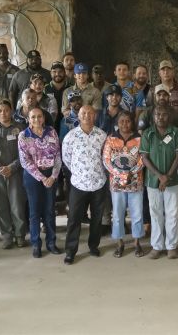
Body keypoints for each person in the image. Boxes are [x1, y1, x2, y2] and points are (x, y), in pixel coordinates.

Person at [61, 106, 109, 264]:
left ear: (95, 115)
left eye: (90, 113)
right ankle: (70, 251)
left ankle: (93, 245)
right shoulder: (71, 136)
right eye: (83, 113)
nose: (87, 116)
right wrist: (79, 172)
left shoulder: (102, 136)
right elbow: (66, 158)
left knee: (97, 217)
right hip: (78, 184)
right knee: (74, 218)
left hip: (98, 183)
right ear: (78, 116)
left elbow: (107, 158)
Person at [19, 107, 64, 258]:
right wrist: (42, 177)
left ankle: (51, 243)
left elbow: (58, 155)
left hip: (51, 174)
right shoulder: (23, 136)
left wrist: (53, 176)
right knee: (34, 212)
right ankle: (36, 244)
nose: (36, 120)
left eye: (39, 117)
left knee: (50, 210)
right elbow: (25, 161)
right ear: (28, 119)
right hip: (33, 176)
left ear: (44, 118)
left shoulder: (51, 132)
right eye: (33, 117)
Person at [140, 106, 178, 259]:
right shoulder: (147, 133)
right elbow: (145, 158)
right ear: (153, 117)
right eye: (157, 114)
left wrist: (167, 176)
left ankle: (171, 246)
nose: (161, 117)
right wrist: (160, 176)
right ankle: (157, 246)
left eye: (164, 114)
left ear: (169, 116)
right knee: (155, 213)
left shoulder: (176, 132)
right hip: (152, 181)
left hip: (172, 180)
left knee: (172, 213)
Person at [0, 100, 27, 249]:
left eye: (6, 110)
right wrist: (0, 167)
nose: (3, 113)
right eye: (0, 110)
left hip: (16, 172)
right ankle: (7, 236)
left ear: (11, 111)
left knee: (17, 204)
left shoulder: (20, 128)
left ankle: (20, 235)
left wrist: (12, 167)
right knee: (0, 205)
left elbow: (25, 152)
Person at [103, 111, 146, 258]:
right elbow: (106, 160)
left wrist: (131, 174)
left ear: (132, 122)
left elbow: (142, 160)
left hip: (136, 183)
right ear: (117, 123)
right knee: (118, 214)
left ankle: (136, 242)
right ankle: (119, 243)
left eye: (128, 121)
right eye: (122, 121)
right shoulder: (111, 139)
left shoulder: (139, 139)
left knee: (137, 214)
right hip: (116, 184)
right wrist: (121, 175)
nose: (125, 124)